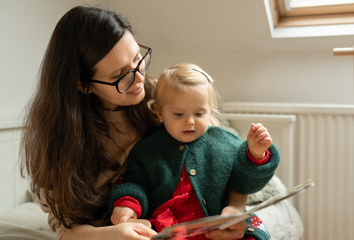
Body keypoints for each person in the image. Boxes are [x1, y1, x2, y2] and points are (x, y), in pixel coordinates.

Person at [20, 6, 253, 240]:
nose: (139, 78)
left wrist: (235, 209)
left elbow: (222, 161)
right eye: (119, 75)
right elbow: (64, 227)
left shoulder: (157, 96)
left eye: (137, 58)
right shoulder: (58, 140)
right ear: (83, 85)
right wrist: (110, 234)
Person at [109, 63, 280, 240]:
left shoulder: (225, 142)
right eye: (178, 114)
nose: (190, 122)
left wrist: (256, 153)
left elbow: (244, 183)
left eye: (199, 114)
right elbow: (135, 183)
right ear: (159, 113)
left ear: (210, 110)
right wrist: (127, 205)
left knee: (253, 235)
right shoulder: (148, 148)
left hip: (218, 222)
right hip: (168, 225)